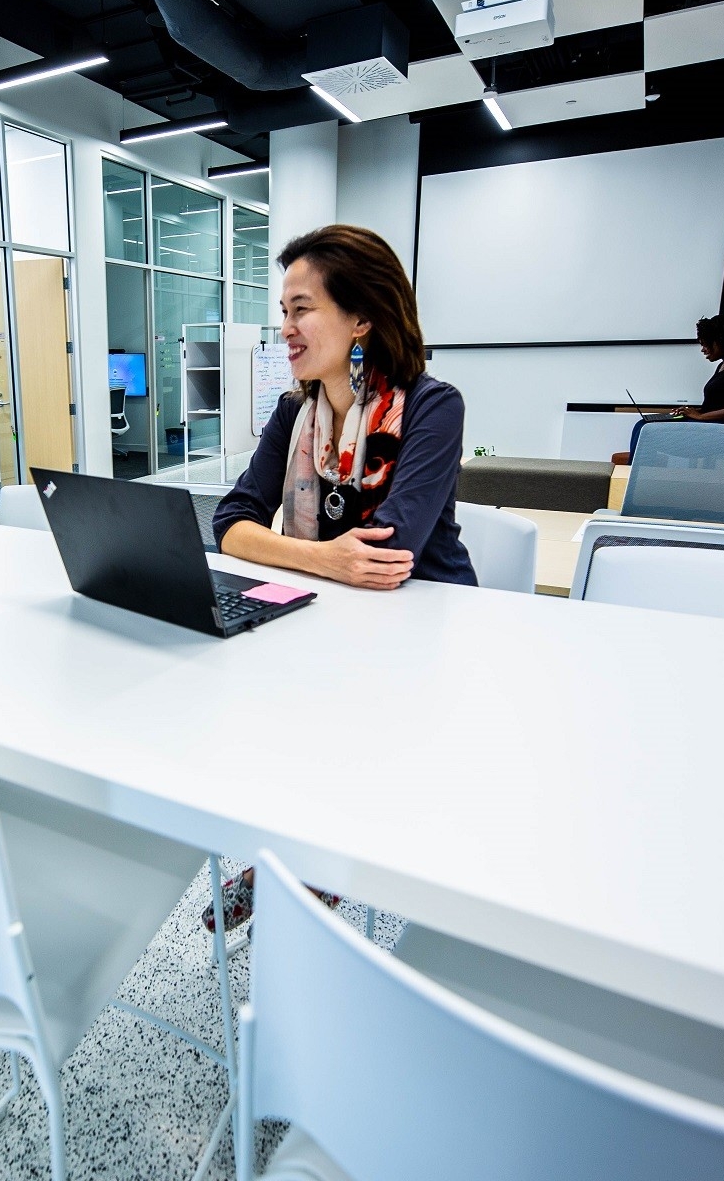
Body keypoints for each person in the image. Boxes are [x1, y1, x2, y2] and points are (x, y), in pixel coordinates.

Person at [204, 224, 474, 931]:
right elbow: (230, 520)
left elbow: (391, 551)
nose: (284, 328)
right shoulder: (295, 412)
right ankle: (304, 854)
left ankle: (321, 856)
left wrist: (298, 554)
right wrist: (322, 558)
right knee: (271, 703)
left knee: (335, 714)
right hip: (325, 605)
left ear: (361, 319)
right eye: (283, 311)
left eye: (301, 308)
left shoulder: (432, 406)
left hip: (427, 621)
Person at [613, 313, 724, 465]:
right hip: (721, 425)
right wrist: (692, 412)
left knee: (647, 431)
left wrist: (701, 417)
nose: (703, 349)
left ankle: (638, 477)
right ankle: (640, 476)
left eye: (706, 343)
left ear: (721, 341)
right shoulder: (723, 365)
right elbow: (721, 403)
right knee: (643, 425)